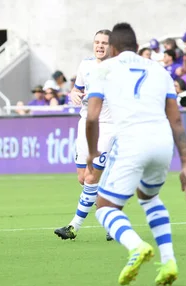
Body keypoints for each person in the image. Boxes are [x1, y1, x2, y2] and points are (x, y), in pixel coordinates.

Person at [86, 22, 186, 286]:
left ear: (113, 47)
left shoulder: (104, 70)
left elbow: (92, 117)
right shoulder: (159, 70)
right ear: (135, 44)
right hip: (162, 142)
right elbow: (176, 121)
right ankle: (168, 262)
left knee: (104, 205)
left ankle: (136, 246)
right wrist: (185, 163)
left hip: (131, 142)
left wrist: (91, 152)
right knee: (149, 197)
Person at [54, 29, 113, 241]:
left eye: (104, 43)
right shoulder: (85, 65)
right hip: (85, 125)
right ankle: (114, 221)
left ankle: (73, 227)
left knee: (91, 178)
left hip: (106, 127)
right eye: (97, 42)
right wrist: (74, 94)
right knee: (83, 178)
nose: (100, 46)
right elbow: (76, 89)